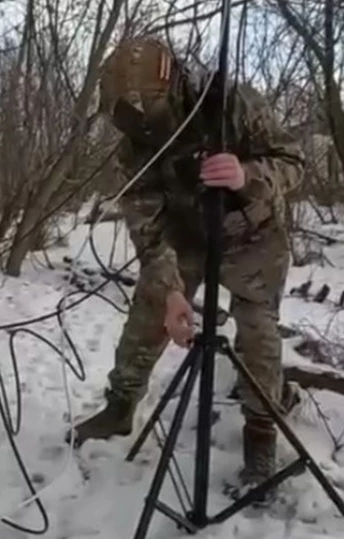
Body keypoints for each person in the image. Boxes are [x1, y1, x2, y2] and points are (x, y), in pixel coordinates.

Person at [71, 37, 304, 493]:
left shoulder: (234, 106)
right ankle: (120, 407)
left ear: (176, 87)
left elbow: (293, 161)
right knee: (150, 307)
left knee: (257, 330)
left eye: (151, 111)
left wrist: (246, 175)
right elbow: (148, 227)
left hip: (253, 236)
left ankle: (261, 436)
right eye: (129, 116)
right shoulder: (134, 148)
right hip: (187, 236)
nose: (143, 124)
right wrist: (172, 290)